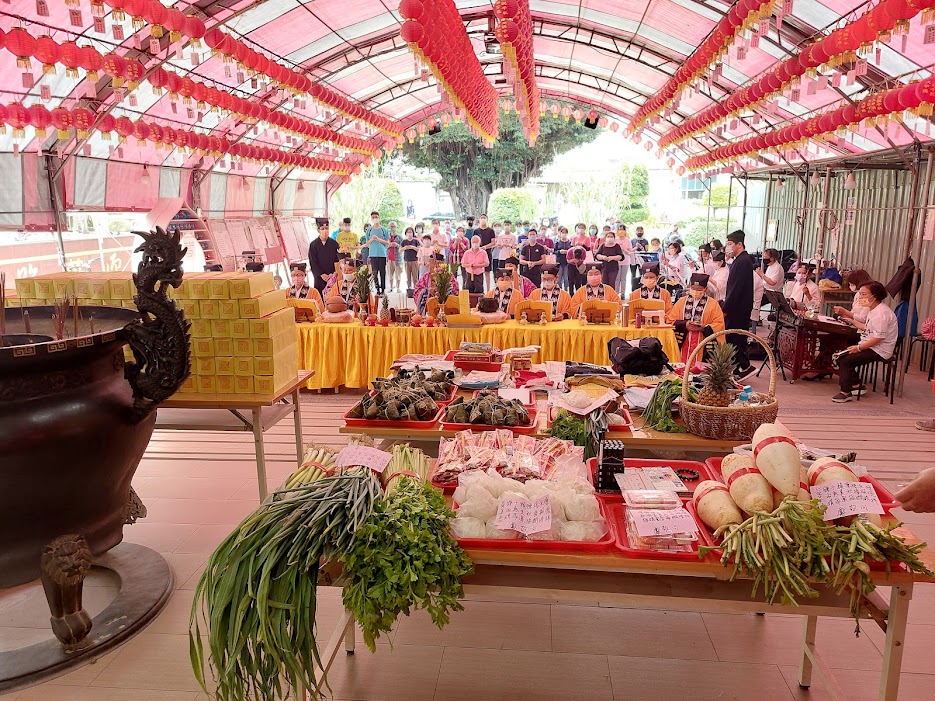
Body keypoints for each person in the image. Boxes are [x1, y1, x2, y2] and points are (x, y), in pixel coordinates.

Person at [832, 281, 898, 403]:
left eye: (863, 294)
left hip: (880, 349)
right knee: (840, 357)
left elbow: (878, 337)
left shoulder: (881, 313)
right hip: (870, 344)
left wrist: (859, 348)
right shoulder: (873, 309)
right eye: (860, 294)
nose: (860, 297)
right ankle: (857, 386)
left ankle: (846, 392)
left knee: (845, 360)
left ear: (874, 296)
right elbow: (866, 327)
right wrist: (851, 321)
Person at [666, 273, 726, 363]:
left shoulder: (713, 304)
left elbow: (719, 323)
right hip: (684, 339)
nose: (695, 291)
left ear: (705, 289)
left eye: (699, 290)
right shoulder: (681, 302)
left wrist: (705, 327)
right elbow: (670, 320)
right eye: (693, 289)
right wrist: (684, 324)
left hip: (702, 341)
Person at [723, 229, 756, 380]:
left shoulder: (743, 261)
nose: (727, 246)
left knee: (735, 338)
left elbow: (736, 288)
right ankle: (737, 370)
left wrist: (726, 308)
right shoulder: (740, 260)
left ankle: (746, 366)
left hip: (738, 308)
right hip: (739, 306)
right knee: (734, 337)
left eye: (730, 243)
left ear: (739, 244)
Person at [307, 220, 341, 296]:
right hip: (319, 277)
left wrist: (333, 274)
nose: (325, 231)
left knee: (333, 296)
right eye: (322, 229)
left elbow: (337, 260)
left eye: (327, 228)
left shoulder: (334, 244)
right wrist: (321, 274)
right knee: (320, 296)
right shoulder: (313, 245)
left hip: (332, 276)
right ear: (318, 230)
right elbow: (313, 261)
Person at [365, 211, 389, 295]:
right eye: (373, 217)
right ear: (371, 219)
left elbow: (387, 242)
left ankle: (383, 289)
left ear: (379, 217)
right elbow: (367, 243)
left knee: (382, 272)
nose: (375, 218)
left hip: (382, 254)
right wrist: (372, 239)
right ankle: (377, 289)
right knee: (374, 272)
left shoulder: (384, 229)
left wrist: (379, 239)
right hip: (373, 254)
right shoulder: (369, 230)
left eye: (376, 217)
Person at [474, 214, 496, 290]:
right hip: (478, 254)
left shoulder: (490, 231)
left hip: (487, 253)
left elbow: (493, 242)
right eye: (481, 218)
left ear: (487, 219)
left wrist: (485, 247)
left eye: (484, 218)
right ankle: (480, 289)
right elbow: (474, 241)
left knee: (487, 272)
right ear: (479, 220)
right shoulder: (476, 231)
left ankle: (488, 289)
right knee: (479, 272)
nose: (483, 219)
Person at [400, 226, 420, 292]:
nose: (409, 233)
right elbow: (400, 250)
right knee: (408, 277)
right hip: (406, 261)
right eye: (408, 232)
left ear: (413, 233)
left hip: (414, 261)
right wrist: (405, 248)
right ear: (406, 233)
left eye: (411, 232)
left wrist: (412, 247)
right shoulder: (404, 241)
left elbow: (419, 250)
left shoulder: (416, 241)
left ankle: (416, 289)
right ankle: (409, 289)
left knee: (415, 277)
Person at [553, 226, 571, 291]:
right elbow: (554, 251)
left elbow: (572, 251)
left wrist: (567, 252)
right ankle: (559, 290)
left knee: (566, 278)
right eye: (562, 232)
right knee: (559, 278)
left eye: (565, 232)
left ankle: (566, 290)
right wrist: (559, 251)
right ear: (560, 233)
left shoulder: (570, 242)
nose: (564, 234)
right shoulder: (557, 242)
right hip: (559, 262)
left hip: (567, 262)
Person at [385, 221, 401, 293]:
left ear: (396, 227)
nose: (392, 228)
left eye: (394, 226)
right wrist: (389, 245)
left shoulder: (400, 237)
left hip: (397, 259)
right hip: (389, 258)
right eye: (391, 226)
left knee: (398, 274)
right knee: (390, 274)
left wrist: (396, 245)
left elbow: (402, 248)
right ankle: (391, 287)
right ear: (388, 228)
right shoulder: (386, 237)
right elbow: (383, 246)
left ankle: (398, 287)